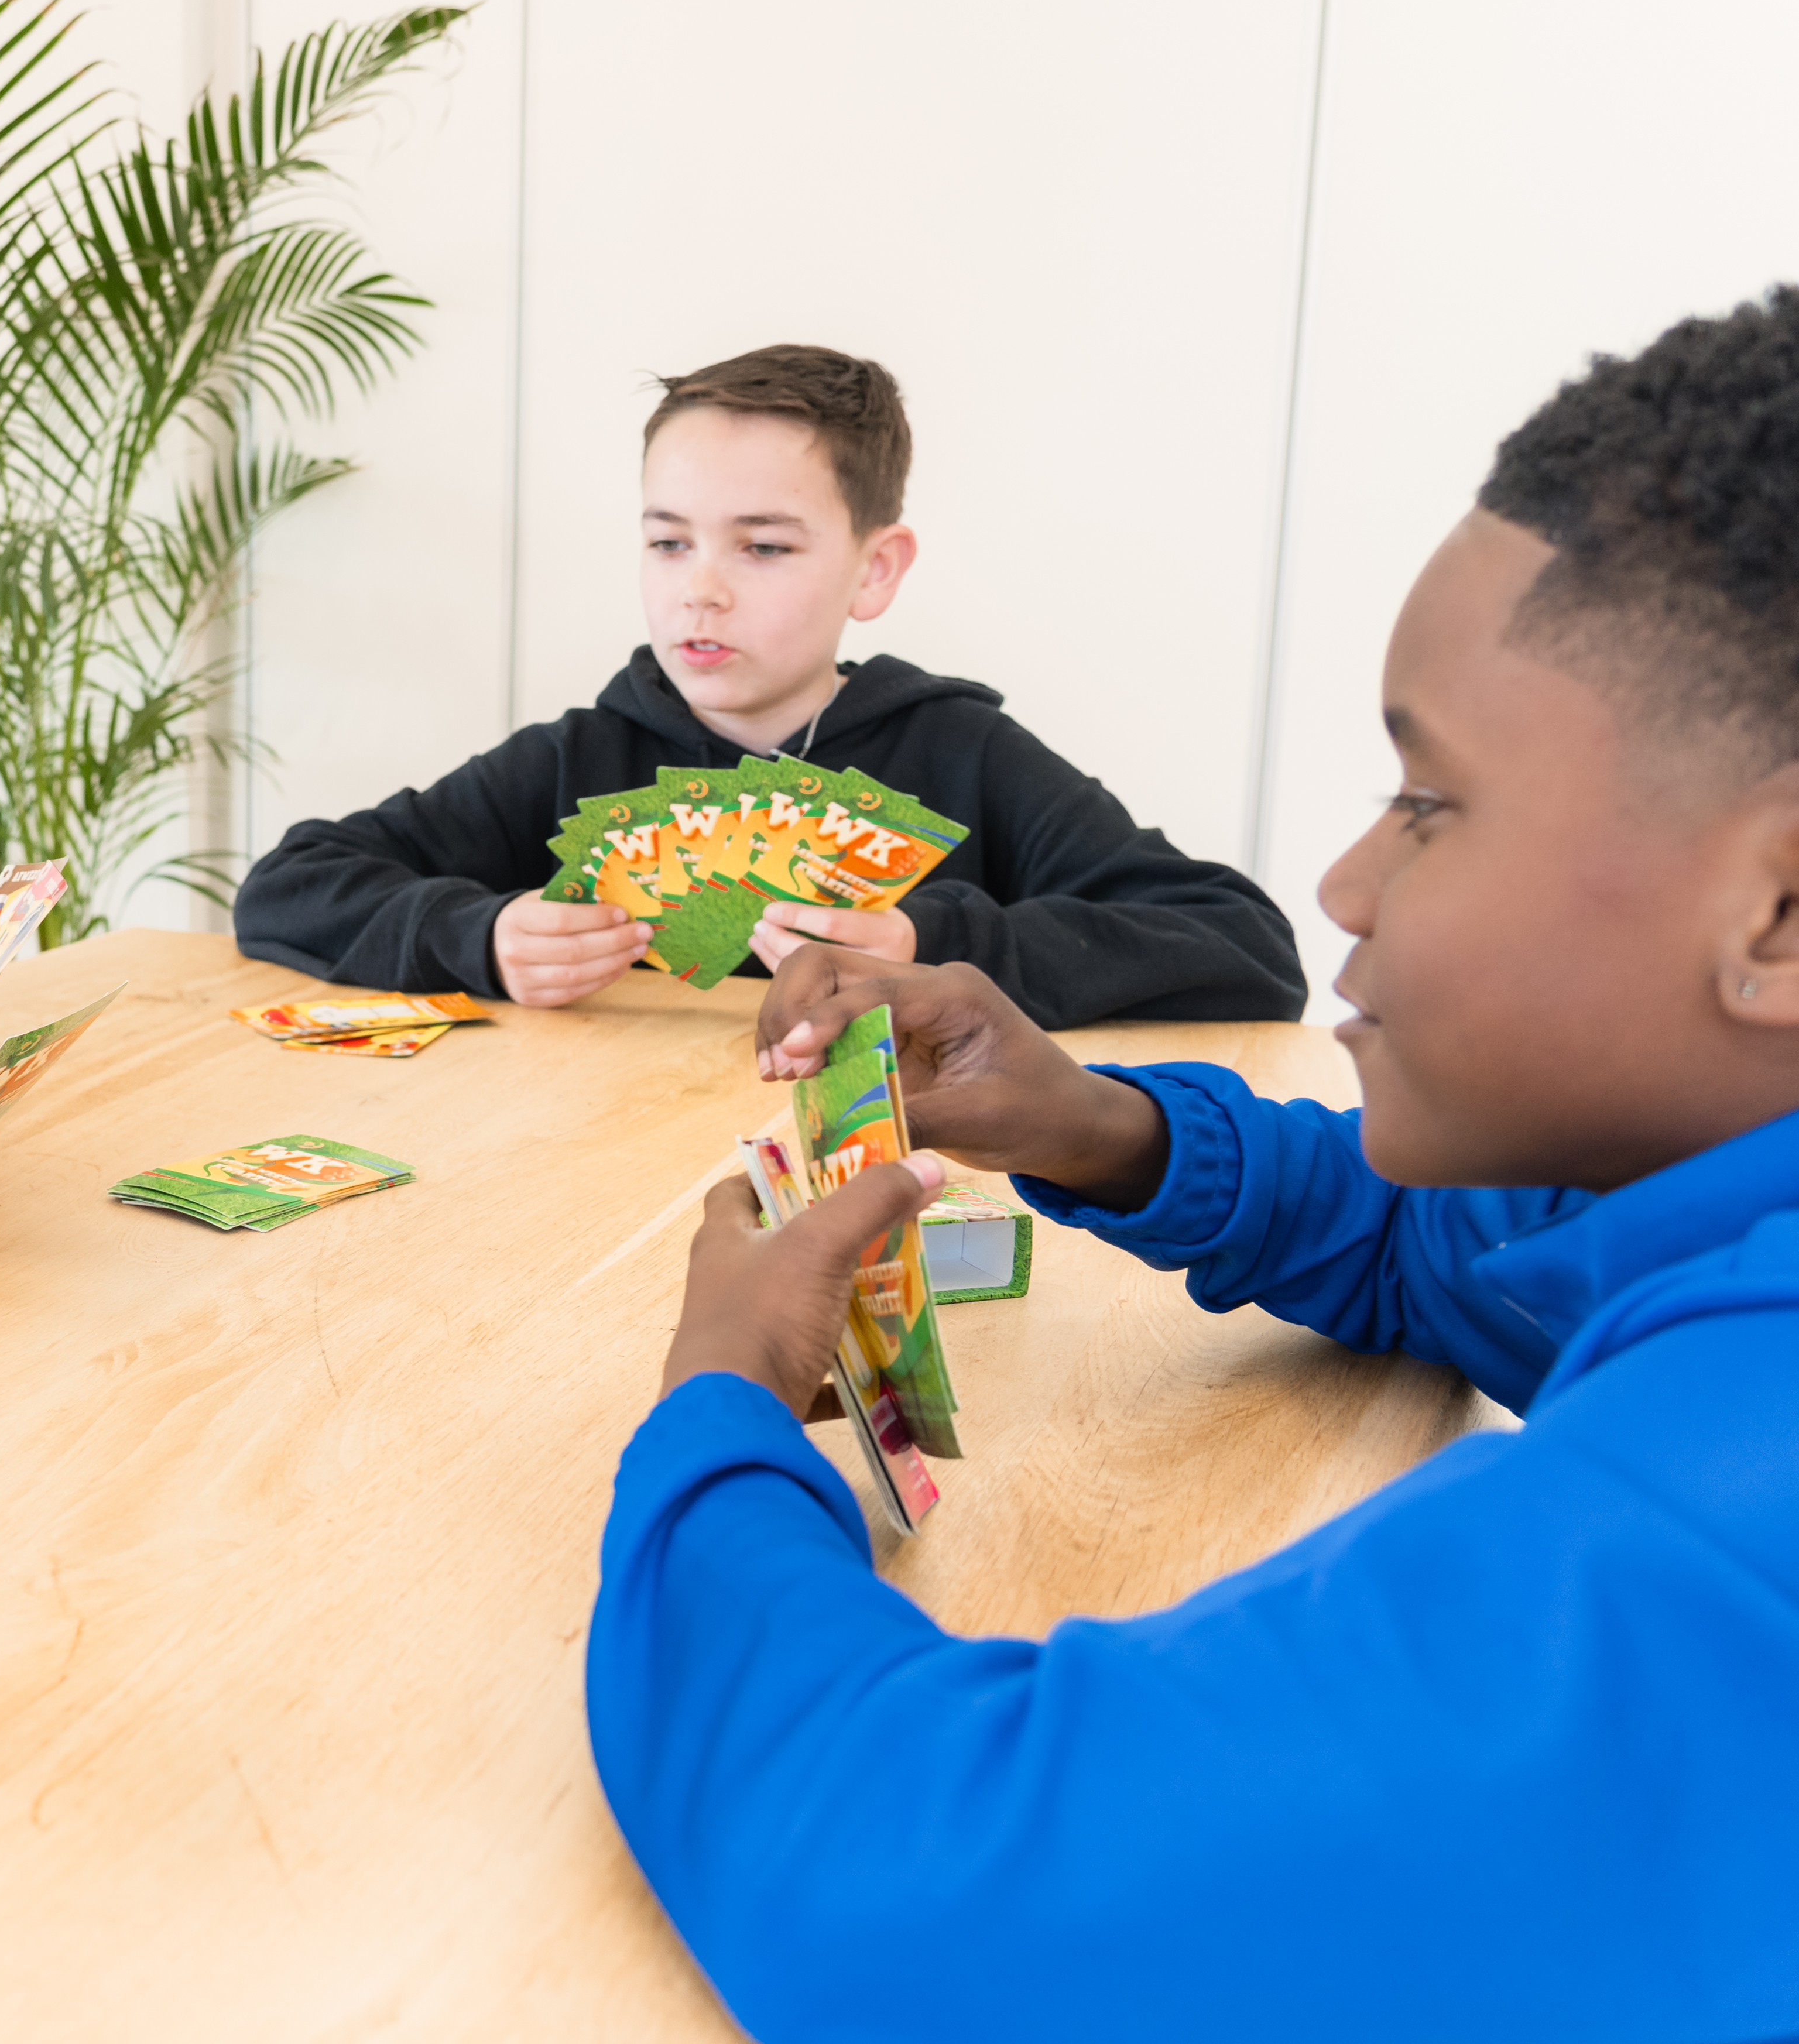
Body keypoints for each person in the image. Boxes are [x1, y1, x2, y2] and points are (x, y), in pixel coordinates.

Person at [590, 294, 1799, 2040]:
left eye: (1430, 803)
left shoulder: (1712, 1531)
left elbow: (895, 1879)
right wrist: (1101, 1126)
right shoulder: (1704, 1220)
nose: (1346, 881)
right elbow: (1466, 1257)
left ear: (1774, 910)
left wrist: (718, 1406)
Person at [231, 345, 1304, 1028]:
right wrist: (483, 936)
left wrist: (928, 944)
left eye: (763, 549)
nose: (700, 592)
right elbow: (288, 886)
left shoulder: (963, 756)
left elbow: (1244, 948)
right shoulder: (579, 758)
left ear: (872, 570)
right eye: (667, 543)